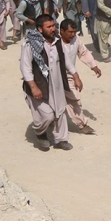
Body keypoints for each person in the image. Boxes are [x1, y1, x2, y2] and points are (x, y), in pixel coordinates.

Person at [20, 15, 73, 151]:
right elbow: (25, 67)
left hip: (57, 85)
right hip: (38, 86)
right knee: (47, 115)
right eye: (48, 27)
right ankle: (40, 133)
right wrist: (33, 87)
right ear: (40, 29)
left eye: (53, 26)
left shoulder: (58, 42)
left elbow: (66, 60)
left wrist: (75, 75)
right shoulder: (30, 44)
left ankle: (61, 139)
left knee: (60, 111)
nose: (52, 29)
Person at [59, 19, 101, 134]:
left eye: (74, 32)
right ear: (62, 31)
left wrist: (93, 66)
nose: (73, 35)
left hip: (68, 76)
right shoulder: (55, 43)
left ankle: (82, 124)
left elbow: (83, 52)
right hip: (54, 77)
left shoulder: (76, 39)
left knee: (74, 99)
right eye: (70, 32)